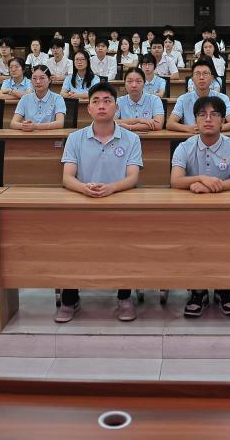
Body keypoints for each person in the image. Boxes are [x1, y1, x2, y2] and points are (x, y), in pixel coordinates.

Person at [57, 82, 143, 323]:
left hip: (119, 205)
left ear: (116, 107)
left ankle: (124, 297)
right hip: (83, 205)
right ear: (88, 109)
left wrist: (111, 188)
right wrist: (84, 189)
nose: (101, 106)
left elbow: (133, 178)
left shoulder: (131, 139)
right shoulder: (75, 138)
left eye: (107, 101)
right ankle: (70, 297)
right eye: (95, 101)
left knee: (126, 246)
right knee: (71, 244)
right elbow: (67, 177)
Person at [171, 95, 230, 318]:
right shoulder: (184, 147)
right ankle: (198, 291)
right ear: (195, 120)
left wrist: (212, 187)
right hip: (191, 212)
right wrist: (202, 178)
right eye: (202, 115)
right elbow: (175, 180)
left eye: (214, 115)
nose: (208, 119)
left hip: (226, 211)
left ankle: (224, 290)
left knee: (225, 242)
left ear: (223, 121)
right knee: (193, 242)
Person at [168, 59, 230, 133]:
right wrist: (189, 129)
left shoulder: (222, 98)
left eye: (205, 73)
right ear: (192, 79)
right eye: (197, 74)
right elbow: (170, 123)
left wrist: (212, 128)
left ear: (212, 78)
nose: (201, 77)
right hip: (192, 137)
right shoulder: (183, 99)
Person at [11, 65, 65, 131]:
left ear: (49, 80)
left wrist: (36, 126)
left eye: (42, 78)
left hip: (50, 135)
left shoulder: (57, 98)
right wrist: (24, 125)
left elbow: (60, 123)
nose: (38, 82)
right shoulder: (25, 98)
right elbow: (13, 123)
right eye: (34, 78)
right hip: (30, 135)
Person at [117, 67, 165, 132]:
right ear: (124, 84)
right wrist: (139, 120)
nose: (134, 85)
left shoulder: (155, 100)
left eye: (138, 81)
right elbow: (111, 122)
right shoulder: (119, 101)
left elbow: (158, 124)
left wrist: (130, 127)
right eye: (129, 81)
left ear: (144, 83)